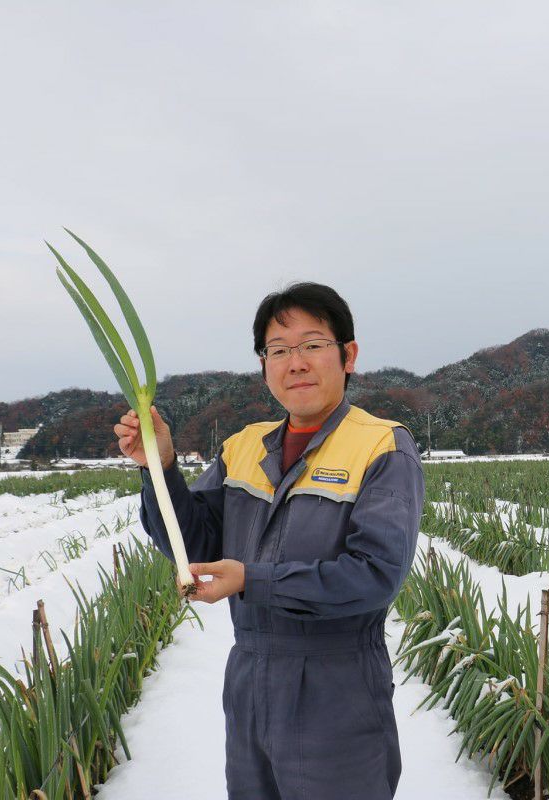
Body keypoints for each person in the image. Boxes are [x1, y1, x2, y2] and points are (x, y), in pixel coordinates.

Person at [113, 282, 424, 800]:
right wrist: (160, 466)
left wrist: (251, 580)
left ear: (348, 355)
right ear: (264, 366)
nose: (294, 363)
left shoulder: (382, 446)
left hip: (337, 682)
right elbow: (191, 546)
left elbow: (373, 576)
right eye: (278, 350)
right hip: (250, 679)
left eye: (311, 345)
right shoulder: (243, 447)